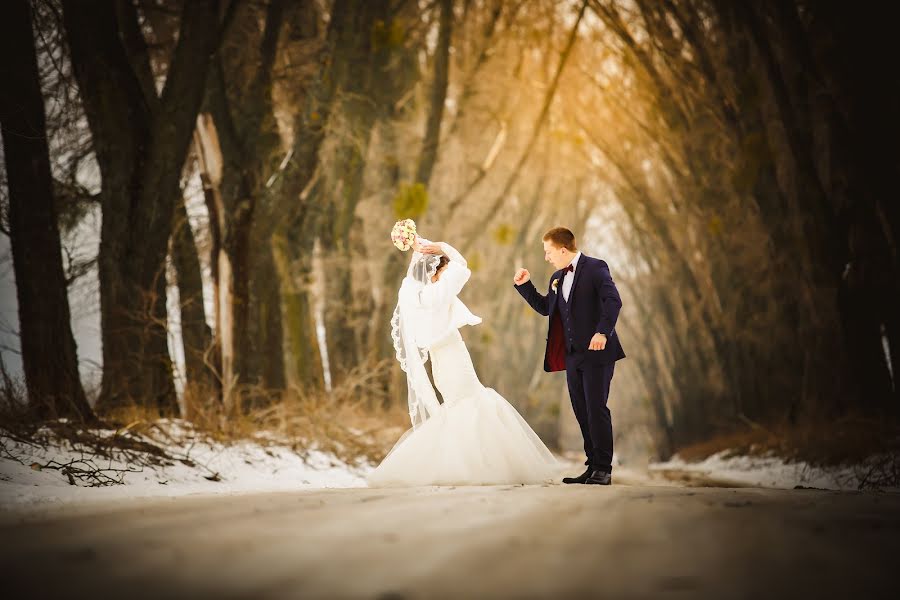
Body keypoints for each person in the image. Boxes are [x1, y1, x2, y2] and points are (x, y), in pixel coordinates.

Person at [367, 229, 559, 487]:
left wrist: (419, 250)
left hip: (439, 362)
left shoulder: (410, 291)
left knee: (459, 405)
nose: (446, 274)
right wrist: (441, 246)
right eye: (442, 271)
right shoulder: (438, 292)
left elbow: (445, 271)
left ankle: (461, 463)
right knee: (472, 401)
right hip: (453, 356)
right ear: (435, 270)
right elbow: (462, 266)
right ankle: (477, 466)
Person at [513, 227, 625, 485]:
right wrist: (524, 286)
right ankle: (592, 466)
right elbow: (546, 308)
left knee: (596, 408)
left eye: (548, 251)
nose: (546, 257)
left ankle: (604, 469)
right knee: (581, 410)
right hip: (573, 357)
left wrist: (602, 333)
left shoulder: (596, 268)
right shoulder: (556, 278)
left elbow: (613, 301)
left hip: (598, 352)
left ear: (563, 250)